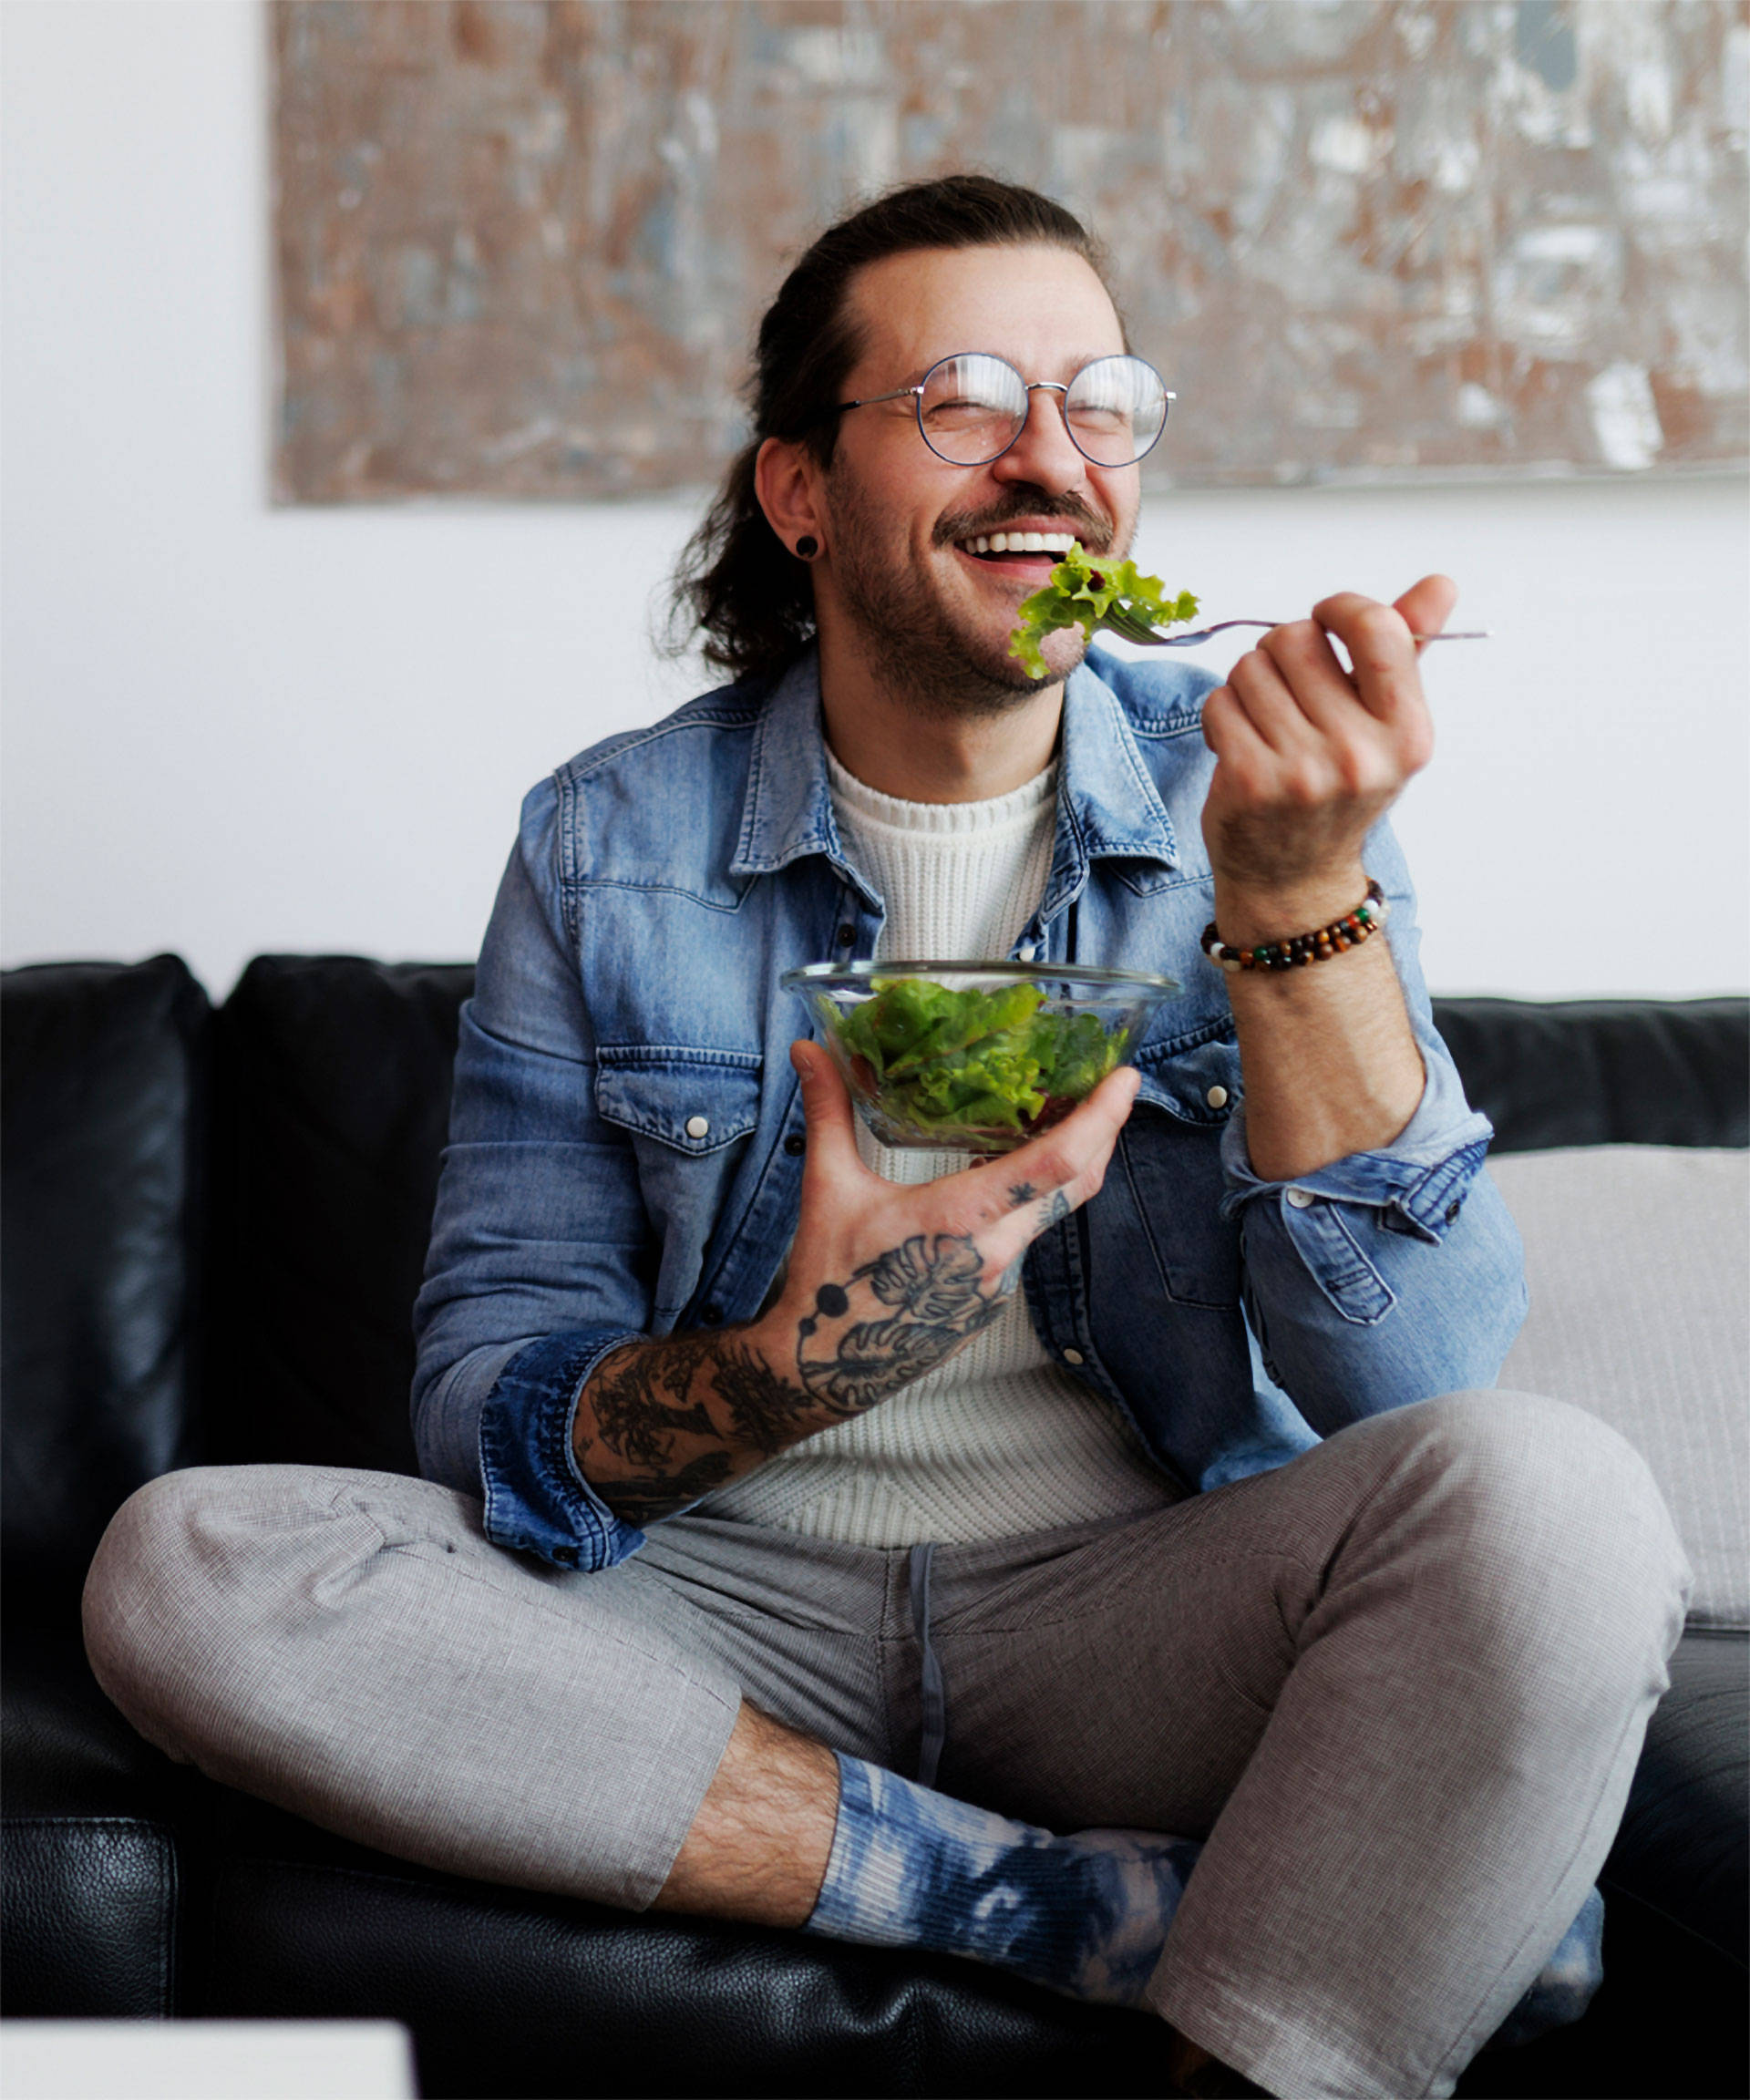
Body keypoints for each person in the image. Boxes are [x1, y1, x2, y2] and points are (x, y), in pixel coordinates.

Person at [83, 176, 1691, 2100]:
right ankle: (1054, 1904)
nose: (1052, 460)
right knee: (187, 1563)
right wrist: (782, 1375)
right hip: (713, 1610)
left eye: (1100, 403)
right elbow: (486, 1401)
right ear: (799, 491)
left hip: (1139, 1611)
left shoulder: (1264, 812)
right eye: (965, 400)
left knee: (1561, 1501)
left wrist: (1292, 896)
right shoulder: (604, 844)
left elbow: (1415, 1387)